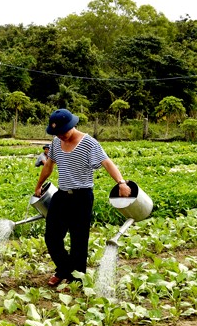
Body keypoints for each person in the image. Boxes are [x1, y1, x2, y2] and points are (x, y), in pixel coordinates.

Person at [35, 108, 131, 287]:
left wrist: (121, 183)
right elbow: (49, 165)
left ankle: (76, 278)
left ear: (72, 126)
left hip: (81, 197)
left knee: (79, 240)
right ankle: (64, 269)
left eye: (63, 132)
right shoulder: (56, 142)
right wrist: (39, 185)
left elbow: (106, 162)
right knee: (52, 237)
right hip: (61, 195)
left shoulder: (89, 143)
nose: (60, 136)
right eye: (57, 133)